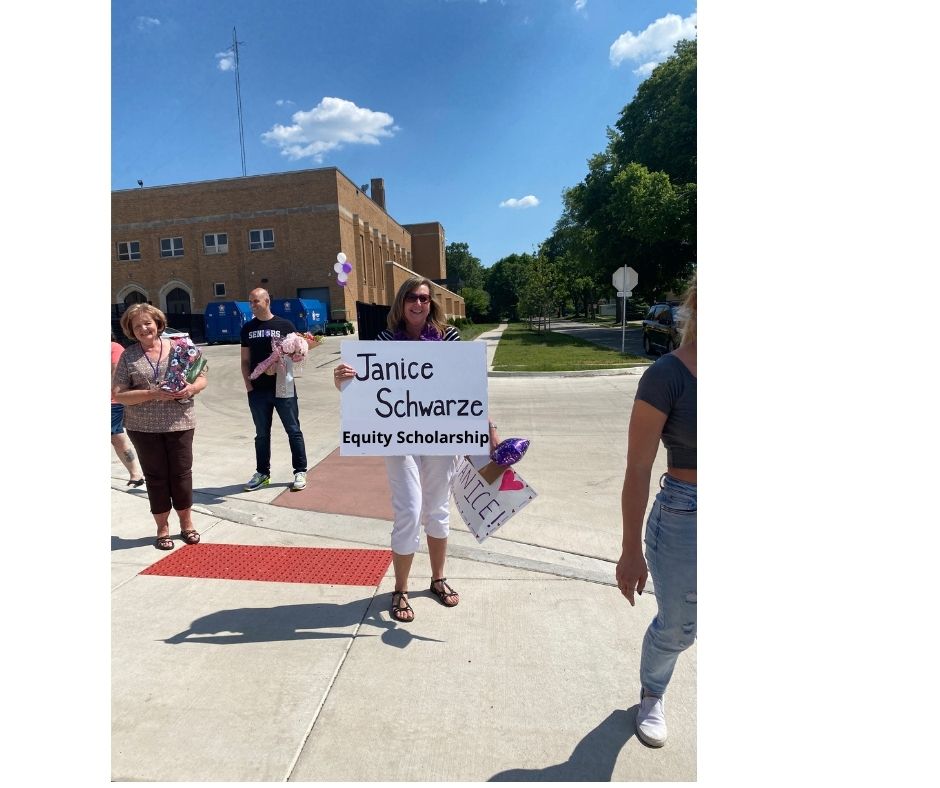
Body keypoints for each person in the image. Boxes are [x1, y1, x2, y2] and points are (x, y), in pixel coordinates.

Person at [333, 276, 498, 623]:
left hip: (441, 433)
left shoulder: (449, 339)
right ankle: (401, 588)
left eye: (424, 298)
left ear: (431, 303)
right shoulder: (383, 341)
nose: (418, 303)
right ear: (401, 302)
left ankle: (438, 579)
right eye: (412, 297)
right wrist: (343, 380)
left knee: (437, 509)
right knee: (409, 508)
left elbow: (468, 388)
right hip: (399, 436)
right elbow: (364, 390)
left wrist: (488, 427)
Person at [616, 277, 696, 748]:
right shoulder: (667, 374)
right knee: (680, 625)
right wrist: (630, 551)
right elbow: (638, 466)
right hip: (686, 514)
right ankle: (653, 691)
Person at [112, 304, 209, 550]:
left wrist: (192, 388)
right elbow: (119, 394)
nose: (144, 329)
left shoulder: (181, 347)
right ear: (131, 331)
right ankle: (162, 528)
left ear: (158, 323)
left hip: (180, 422)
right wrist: (152, 393)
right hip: (143, 427)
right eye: (137, 326)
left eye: (147, 323)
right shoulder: (129, 355)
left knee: (181, 474)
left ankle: (187, 524)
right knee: (156, 478)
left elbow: (202, 376)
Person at [240, 288, 308, 492]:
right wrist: (249, 386)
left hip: (283, 388)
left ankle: (300, 471)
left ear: (267, 301)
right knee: (261, 434)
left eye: (256, 301)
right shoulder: (248, 328)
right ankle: (262, 473)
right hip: (258, 391)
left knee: (293, 430)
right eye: (250, 302)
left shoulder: (285, 325)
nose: (252, 305)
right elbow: (244, 360)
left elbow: (297, 354)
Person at [111, 333, 144, 487]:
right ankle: (135, 474)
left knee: (116, 437)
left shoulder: (114, 348)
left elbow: (118, 375)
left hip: (112, 402)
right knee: (116, 437)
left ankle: (135, 473)